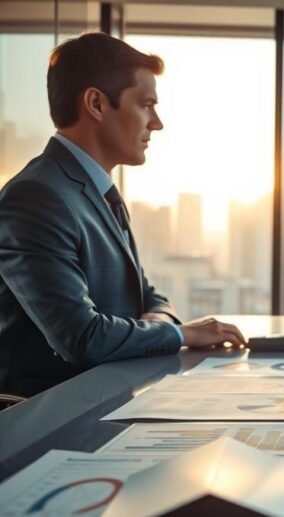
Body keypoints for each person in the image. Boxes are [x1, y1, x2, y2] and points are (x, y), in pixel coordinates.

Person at [0, 33, 245, 398]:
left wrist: (158, 322)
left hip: (107, 403)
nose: (157, 122)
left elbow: (148, 295)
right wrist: (182, 334)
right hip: (49, 423)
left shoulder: (97, 192)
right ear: (97, 104)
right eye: (146, 104)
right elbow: (82, 336)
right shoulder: (36, 197)